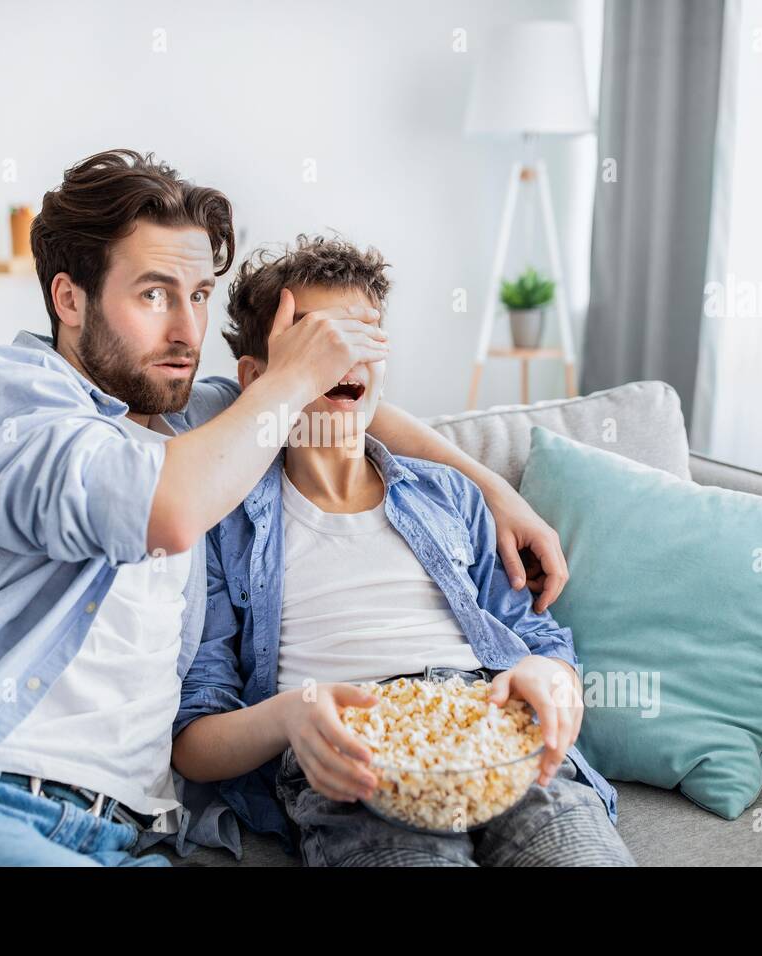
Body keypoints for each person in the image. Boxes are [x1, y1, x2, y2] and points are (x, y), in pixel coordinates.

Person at [0, 151, 569, 867]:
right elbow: (167, 510)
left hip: (139, 836)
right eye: (154, 295)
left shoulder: (191, 416)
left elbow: (342, 406)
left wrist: (488, 483)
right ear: (69, 298)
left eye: (197, 296)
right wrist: (292, 376)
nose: (186, 330)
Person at [172, 235, 635, 866]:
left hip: (493, 734)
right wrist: (292, 716)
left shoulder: (449, 495)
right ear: (258, 378)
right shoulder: (221, 520)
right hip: (352, 770)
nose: (346, 356)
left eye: (363, 336)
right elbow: (194, 736)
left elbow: (540, 639)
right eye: (319, 339)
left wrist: (548, 679)